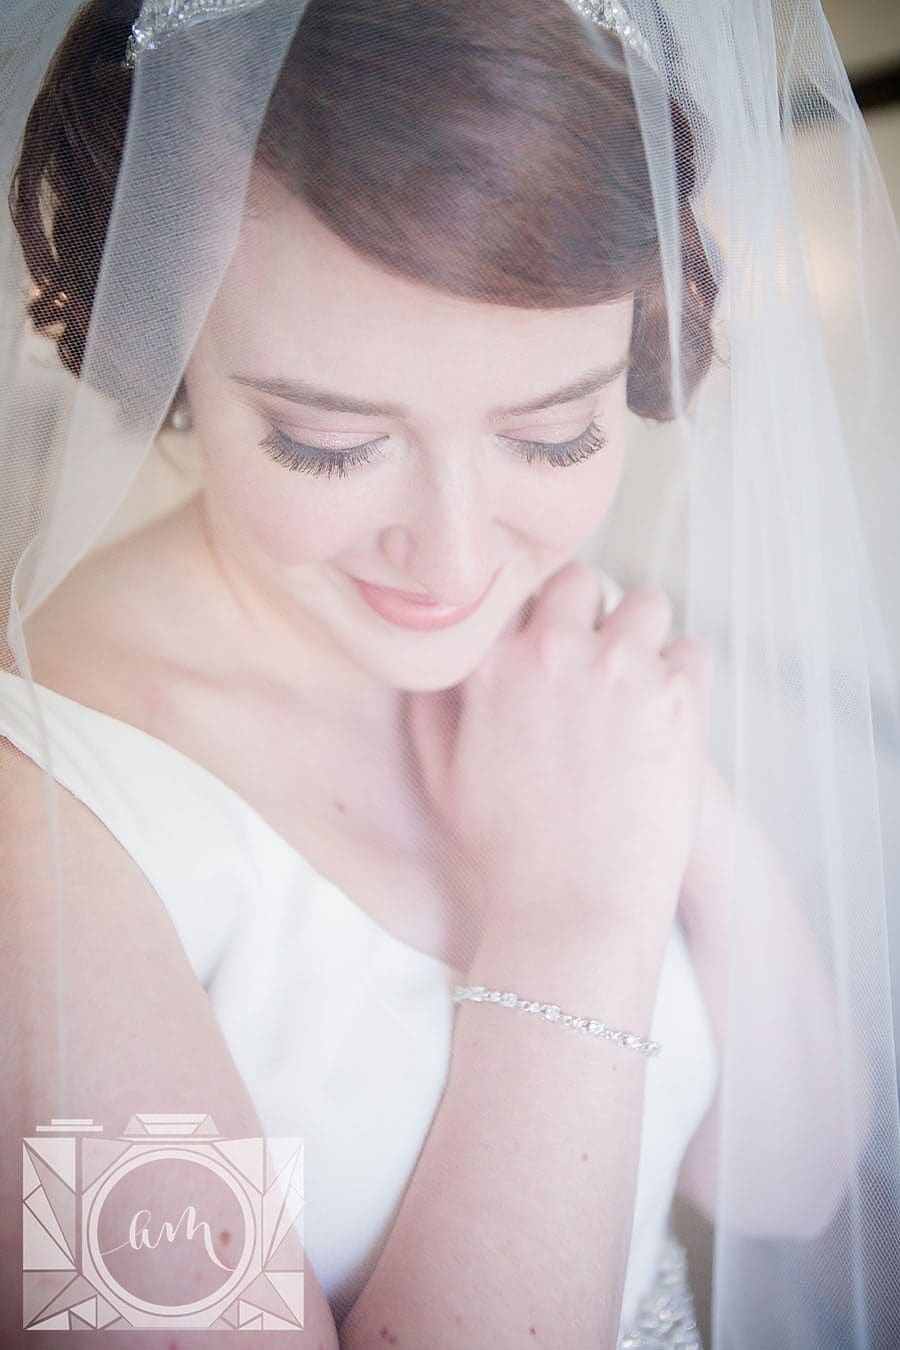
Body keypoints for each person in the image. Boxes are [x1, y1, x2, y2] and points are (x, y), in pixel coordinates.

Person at [1, 0, 898, 1345]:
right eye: (324, 442)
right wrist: (572, 925)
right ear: (167, 339)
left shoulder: (559, 667)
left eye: (552, 436)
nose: (458, 557)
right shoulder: (38, 838)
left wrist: (673, 805)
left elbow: (789, 1170)